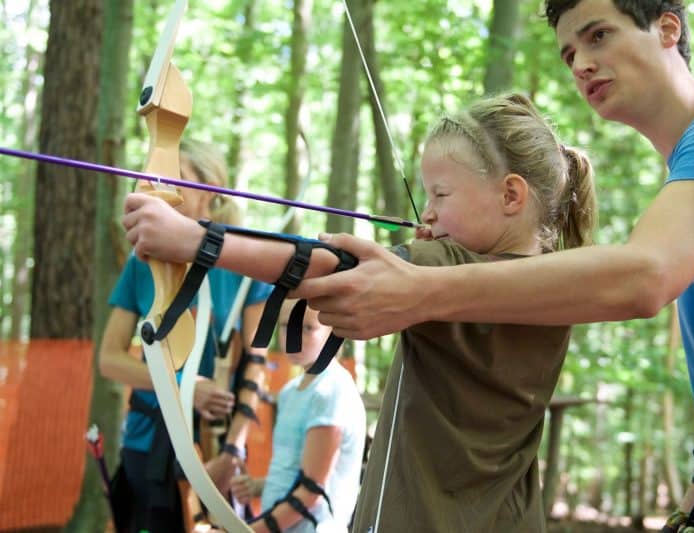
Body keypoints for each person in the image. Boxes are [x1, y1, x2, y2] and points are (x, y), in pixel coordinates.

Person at [297, 0, 694, 530]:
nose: (580, 63)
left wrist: (420, 290)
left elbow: (645, 278)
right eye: (569, 53)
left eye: (598, 36)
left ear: (666, 28)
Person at [121, 92, 598, 532]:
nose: (426, 214)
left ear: (511, 196)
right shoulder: (558, 287)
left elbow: (330, 265)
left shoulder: (446, 266)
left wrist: (193, 239)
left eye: (442, 195)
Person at [99, 139, 272, 532]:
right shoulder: (142, 260)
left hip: (213, 446)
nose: (166, 188)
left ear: (212, 189)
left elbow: (256, 363)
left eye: (178, 178)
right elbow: (109, 359)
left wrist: (232, 451)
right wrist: (184, 387)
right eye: (159, 178)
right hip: (148, 441)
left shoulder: (244, 258)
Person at [230, 299, 365, 533]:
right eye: (285, 326)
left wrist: (250, 531)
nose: (293, 336)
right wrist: (259, 486)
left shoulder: (331, 390)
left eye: (307, 328)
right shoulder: (289, 392)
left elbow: (312, 491)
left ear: (333, 330)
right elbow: (293, 470)